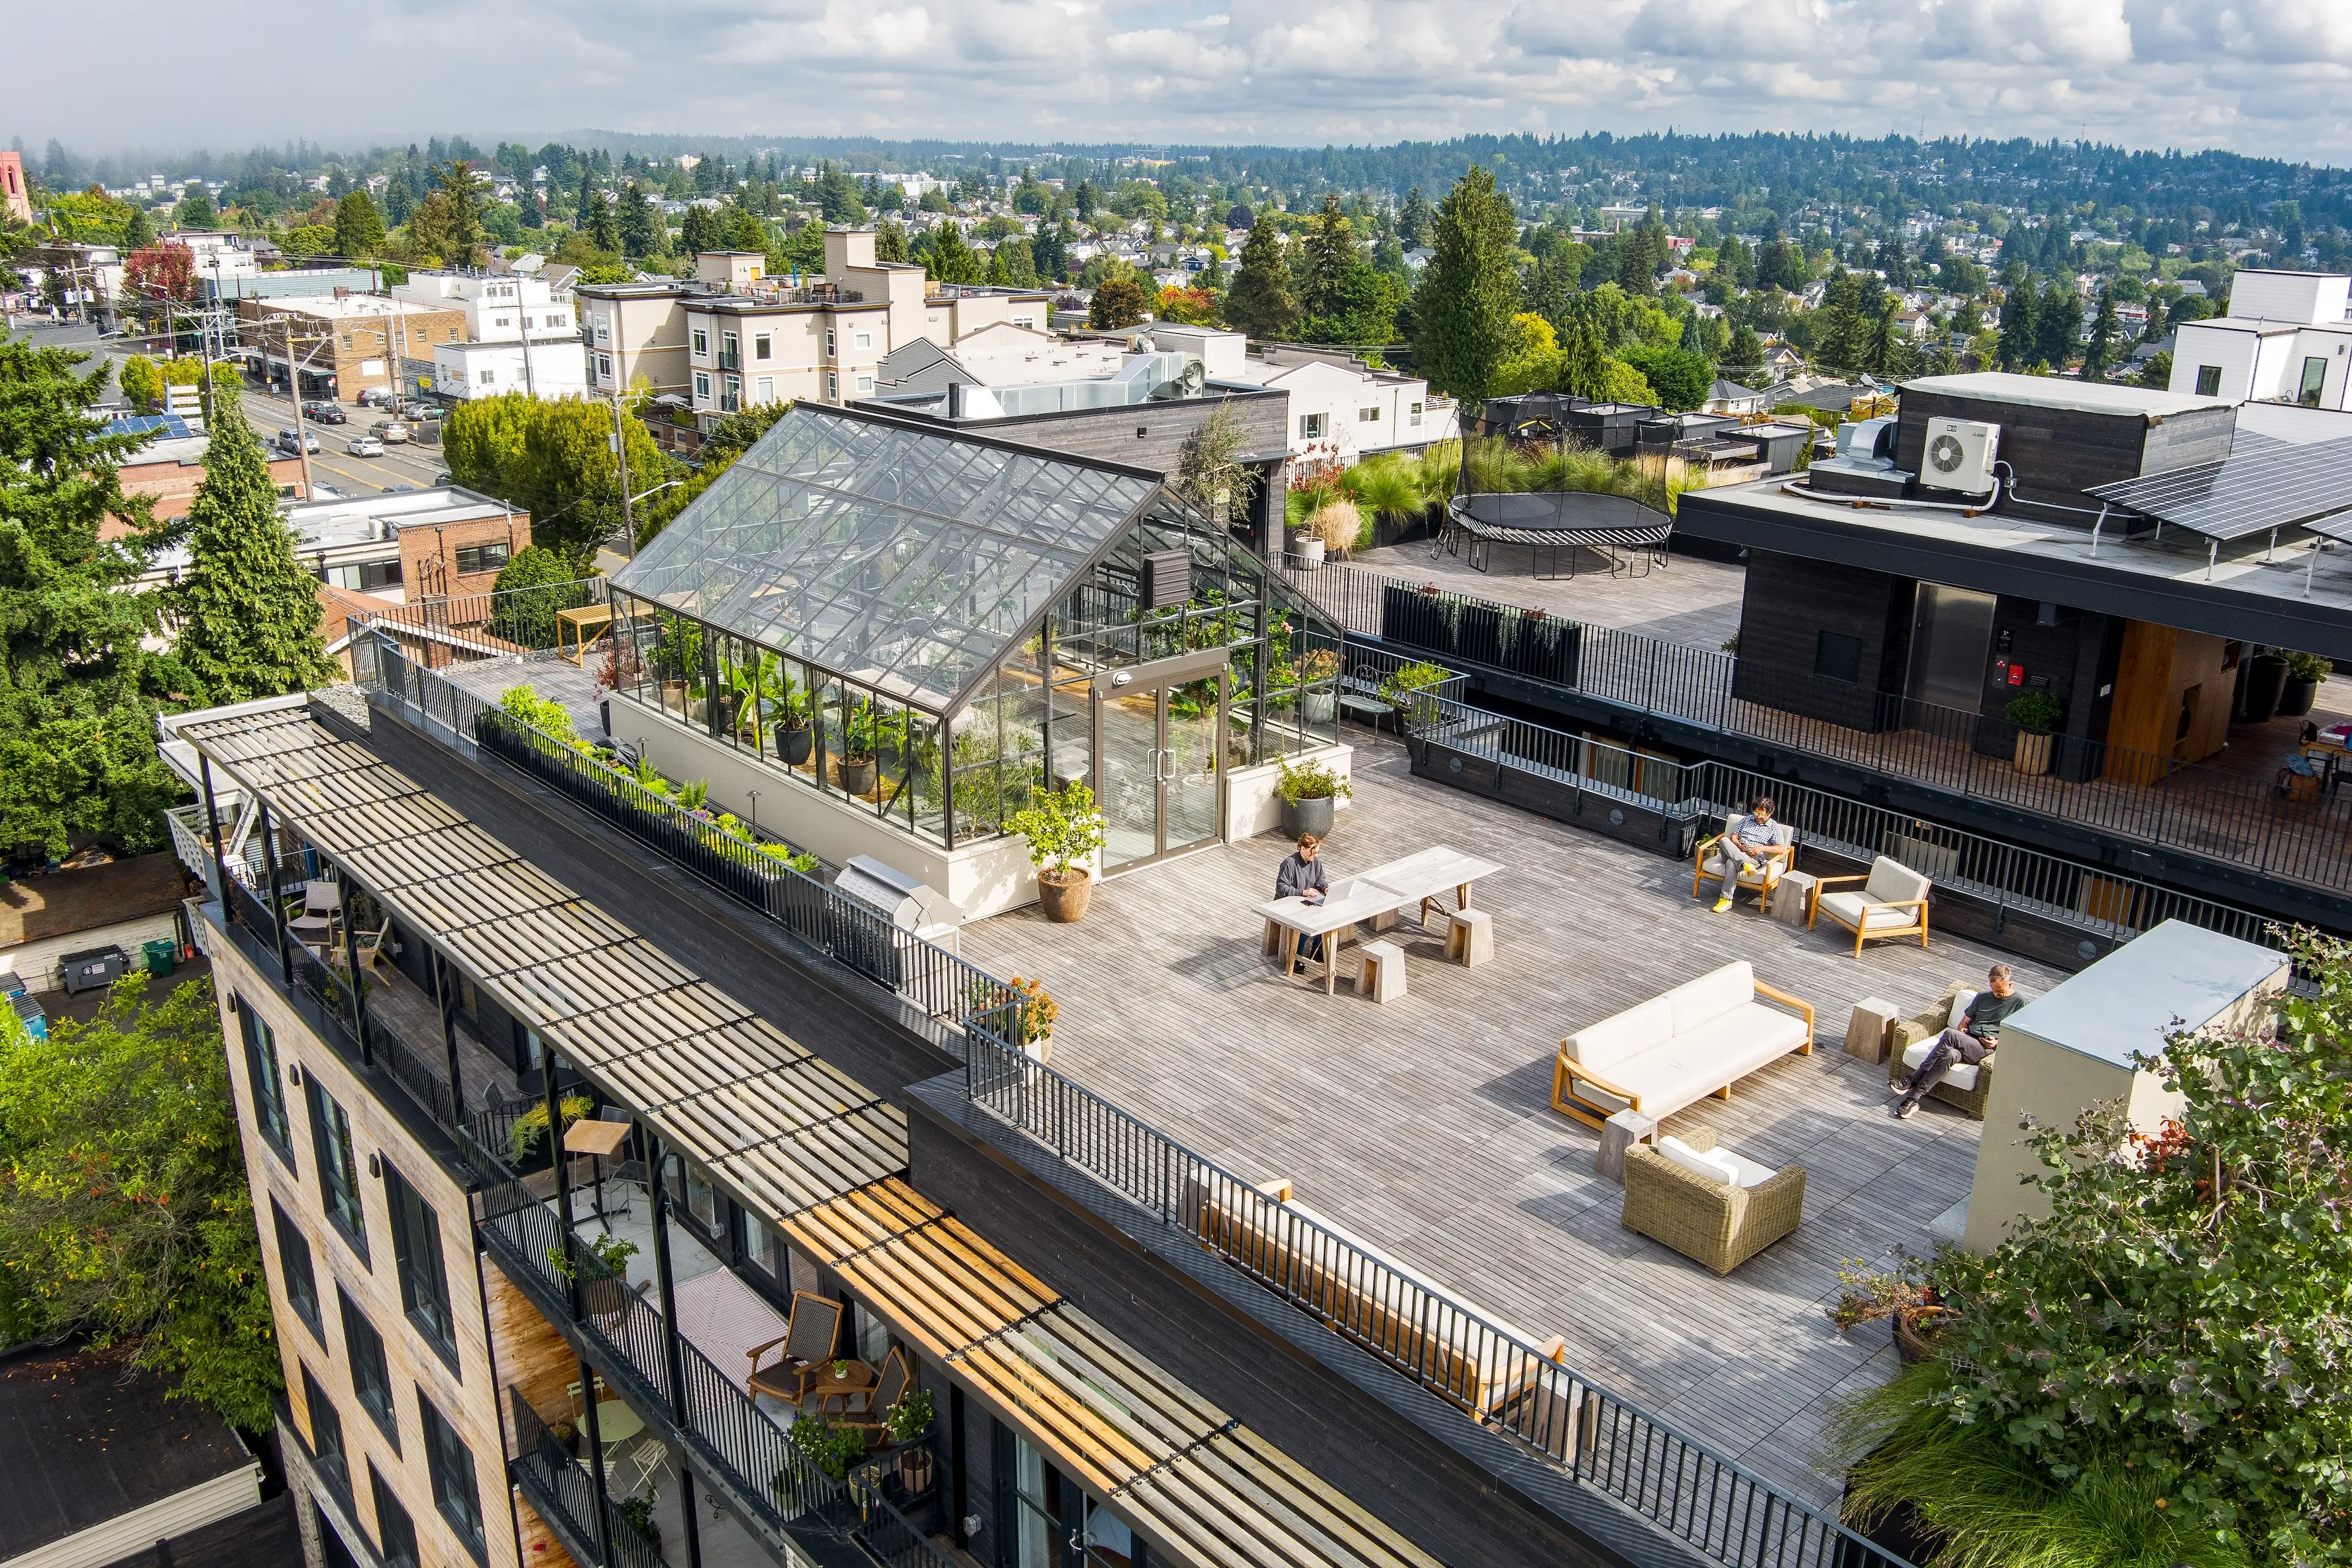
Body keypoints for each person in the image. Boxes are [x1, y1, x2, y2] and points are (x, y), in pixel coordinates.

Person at [1893, 963, 2023, 1119]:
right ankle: (1913, 1099)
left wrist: (1997, 1042)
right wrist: (1962, 1029)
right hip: (1968, 1040)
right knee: (1950, 1055)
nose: (1995, 994)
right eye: (1993, 989)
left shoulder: (2019, 1003)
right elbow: (1965, 1022)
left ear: (2010, 984)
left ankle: (1913, 1078)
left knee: (1950, 1035)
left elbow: (2020, 1035)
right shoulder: (1982, 998)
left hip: (1984, 1049)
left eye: (2000, 991)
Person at [1707, 796, 1792, 914]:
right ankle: (1744, 864)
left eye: (1761, 814)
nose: (1758, 817)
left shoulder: (1774, 828)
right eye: (1755, 813)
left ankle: (1726, 899)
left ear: (1770, 813)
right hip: (1736, 850)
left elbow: (1781, 849)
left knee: (1732, 863)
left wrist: (1761, 848)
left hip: (1753, 857)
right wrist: (1737, 844)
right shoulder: (1746, 820)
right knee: (1724, 840)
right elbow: (1734, 837)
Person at [1274, 832, 1330, 974]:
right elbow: (1281, 888)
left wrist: (1325, 888)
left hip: (1306, 901)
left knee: (1328, 917)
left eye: (1317, 852)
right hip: (1288, 903)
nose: (1315, 855)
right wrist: (1303, 892)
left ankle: (1317, 950)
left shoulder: (1316, 862)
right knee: (1305, 924)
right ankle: (1296, 957)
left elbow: (1320, 879)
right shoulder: (1290, 863)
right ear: (1302, 849)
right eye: (1312, 852)